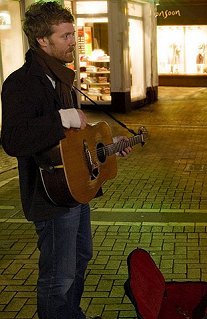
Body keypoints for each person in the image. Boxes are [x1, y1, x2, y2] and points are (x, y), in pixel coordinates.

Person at [0, 2, 132, 318]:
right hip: (50, 197)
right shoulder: (23, 82)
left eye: (72, 34)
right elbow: (13, 139)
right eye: (66, 36)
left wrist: (107, 147)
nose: (74, 41)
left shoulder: (61, 78)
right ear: (43, 41)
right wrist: (61, 117)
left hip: (74, 189)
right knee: (58, 277)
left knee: (81, 256)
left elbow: (74, 140)